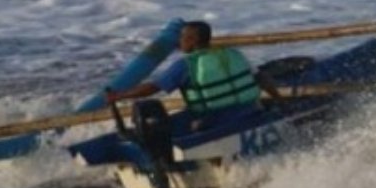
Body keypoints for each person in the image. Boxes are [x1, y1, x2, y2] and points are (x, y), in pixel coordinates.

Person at [106, 21, 281, 128]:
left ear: (192, 41)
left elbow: (153, 88)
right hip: (249, 109)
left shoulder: (185, 66)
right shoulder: (233, 54)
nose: (178, 41)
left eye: (182, 37)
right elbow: (262, 78)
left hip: (214, 119)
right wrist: (279, 101)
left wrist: (120, 95)